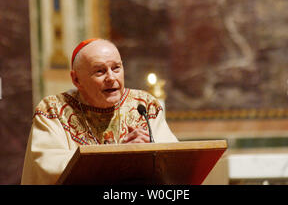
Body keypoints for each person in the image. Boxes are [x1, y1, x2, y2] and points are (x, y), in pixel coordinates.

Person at [21, 38, 178, 185]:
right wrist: (117, 156)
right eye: (100, 72)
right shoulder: (53, 109)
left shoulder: (143, 105)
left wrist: (147, 151)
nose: (111, 77)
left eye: (116, 68)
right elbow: (50, 167)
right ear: (76, 80)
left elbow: (174, 162)